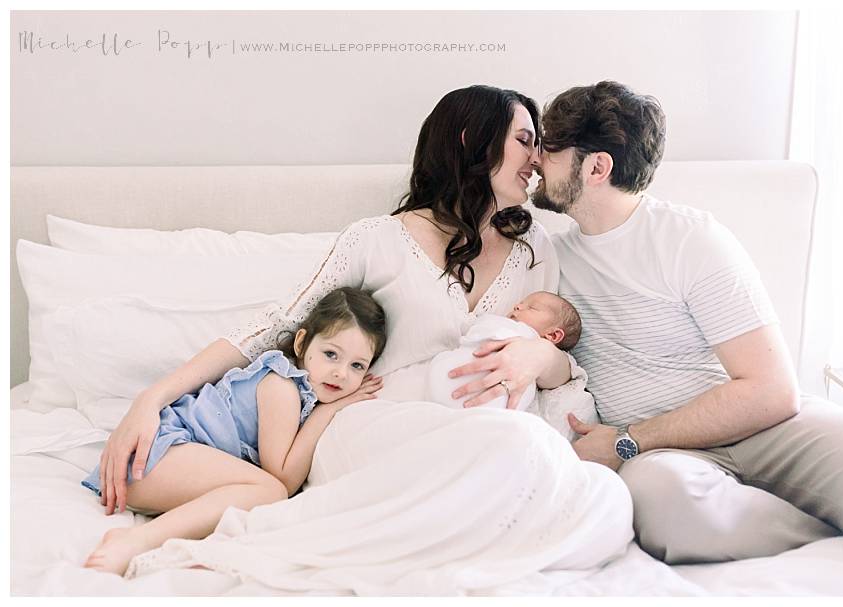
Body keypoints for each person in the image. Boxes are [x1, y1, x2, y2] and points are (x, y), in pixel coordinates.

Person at [96, 85, 634, 590]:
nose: (538, 157)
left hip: (481, 432)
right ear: (472, 141)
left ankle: (476, 512)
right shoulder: (378, 239)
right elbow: (275, 326)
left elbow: (558, 357)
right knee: (521, 446)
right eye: (524, 140)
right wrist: (151, 398)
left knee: (608, 502)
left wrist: (542, 357)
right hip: (373, 424)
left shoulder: (535, 247)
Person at [532, 80, 843, 564]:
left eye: (550, 148)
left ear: (596, 166)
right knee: (669, 510)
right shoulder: (550, 260)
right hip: (667, 460)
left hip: (762, 429)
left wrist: (629, 438)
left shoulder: (689, 238)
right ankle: (842, 545)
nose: (536, 159)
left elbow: (771, 391)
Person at [82, 287, 388, 575]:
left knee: (261, 494)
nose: (341, 373)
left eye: (357, 366)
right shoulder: (282, 387)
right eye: (331, 355)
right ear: (301, 344)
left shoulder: (299, 391)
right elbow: (283, 478)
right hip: (153, 455)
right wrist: (329, 410)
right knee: (270, 492)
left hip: (164, 468)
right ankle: (136, 540)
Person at [427, 291, 582, 410]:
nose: (517, 306)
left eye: (532, 308)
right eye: (521, 303)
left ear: (553, 335)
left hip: (495, 395)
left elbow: (485, 331)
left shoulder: (521, 333)